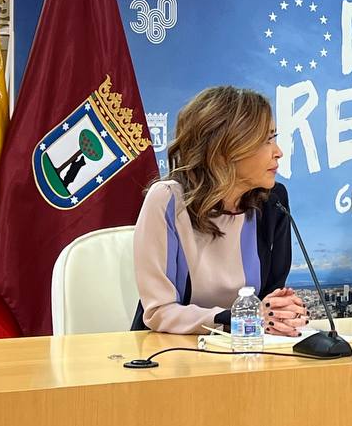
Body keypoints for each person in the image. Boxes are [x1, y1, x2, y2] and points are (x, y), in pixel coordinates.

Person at [131, 86, 309, 335]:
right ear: (225, 149)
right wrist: (240, 318)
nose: (278, 152)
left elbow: (268, 302)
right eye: (266, 140)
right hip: (170, 348)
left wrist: (282, 312)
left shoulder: (273, 201)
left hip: (247, 347)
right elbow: (158, 312)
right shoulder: (167, 199)